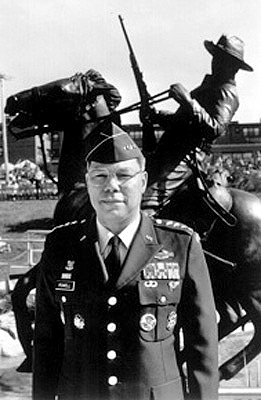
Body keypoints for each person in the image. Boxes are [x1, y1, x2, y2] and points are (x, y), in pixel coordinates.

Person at [33, 121, 218, 400]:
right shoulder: (61, 245)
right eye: (100, 176)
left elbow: (202, 347)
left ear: (142, 181)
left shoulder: (180, 245)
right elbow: (47, 344)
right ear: (87, 182)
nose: (112, 186)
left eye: (123, 175)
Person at [142, 34, 253, 211]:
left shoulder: (227, 93)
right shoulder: (207, 87)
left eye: (221, 59)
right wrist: (155, 115)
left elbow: (215, 128)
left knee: (145, 204)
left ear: (234, 67)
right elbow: (181, 123)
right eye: (215, 57)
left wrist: (188, 101)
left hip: (186, 158)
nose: (215, 62)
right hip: (169, 152)